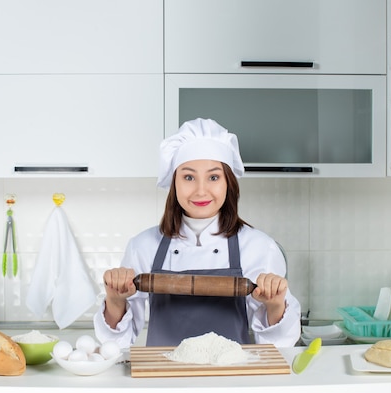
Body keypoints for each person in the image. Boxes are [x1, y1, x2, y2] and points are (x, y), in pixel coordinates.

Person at [93, 118, 301, 348]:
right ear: (174, 183)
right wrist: (114, 300)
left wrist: (274, 305)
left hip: (232, 379)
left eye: (213, 177)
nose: (201, 190)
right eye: (188, 177)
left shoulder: (259, 247)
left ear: (228, 183)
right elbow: (116, 343)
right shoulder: (143, 246)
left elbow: (279, 345)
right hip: (163, 377)